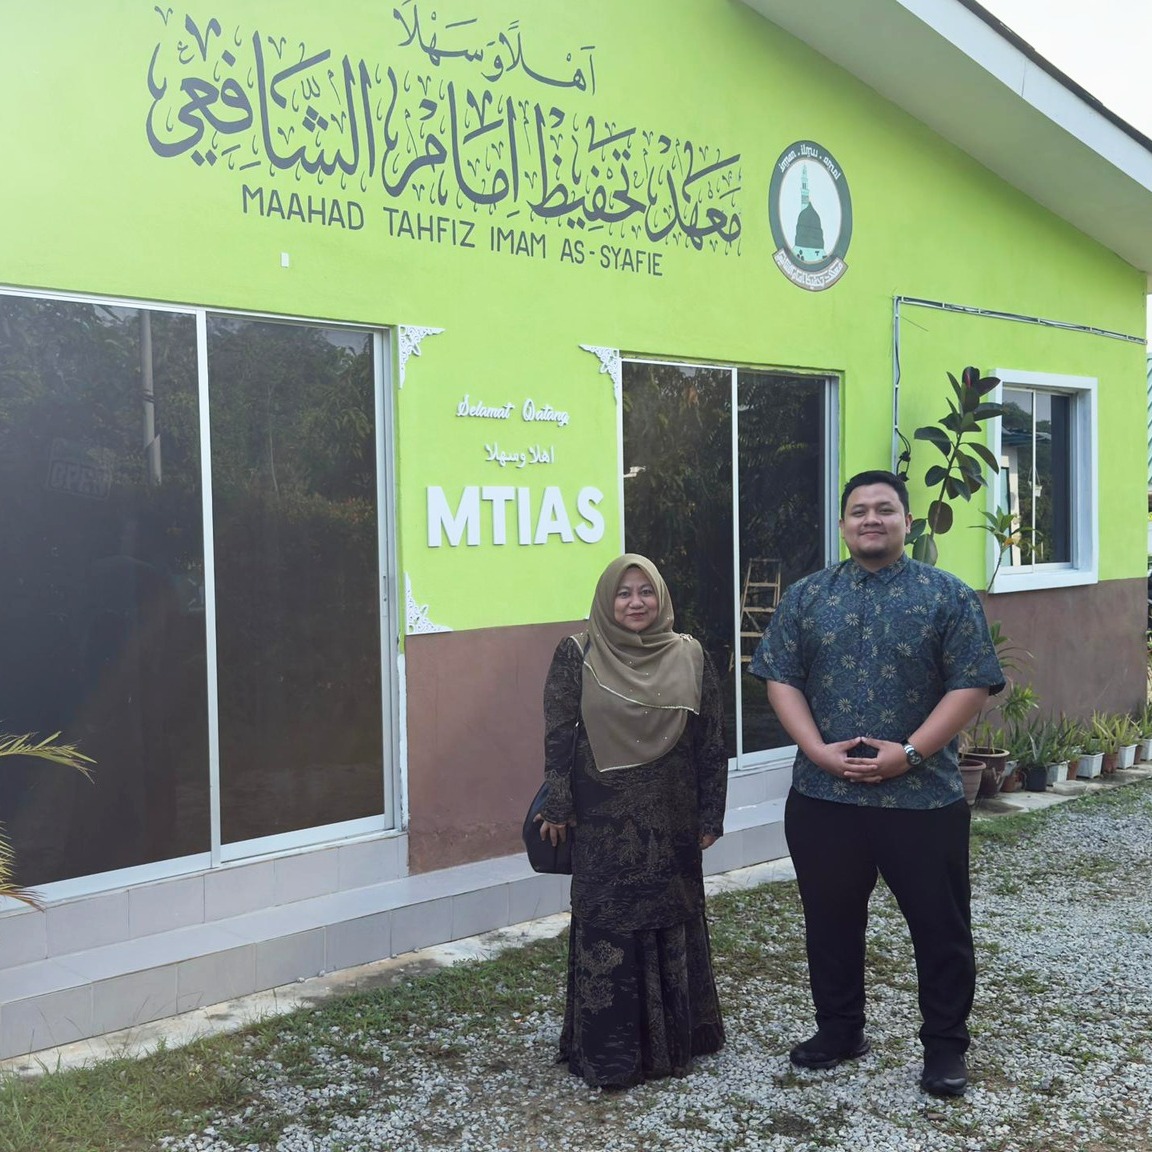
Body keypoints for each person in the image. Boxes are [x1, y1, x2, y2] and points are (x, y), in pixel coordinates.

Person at [749, 470, 1003, 1098]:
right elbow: (781, 677)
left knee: (940, 927)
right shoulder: (807, 597)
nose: (871, 519)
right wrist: (816, 751)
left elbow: (970, 684)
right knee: (829, 922)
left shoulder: (946, 596)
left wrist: (910, 753)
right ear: (842, 525)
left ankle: (945, 1047)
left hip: (922, 798)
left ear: (907, 523)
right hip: (824, 798)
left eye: (884, 509)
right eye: (859, 510)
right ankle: (840, 1030)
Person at [537, 553, 728, 1088]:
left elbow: (712, 741)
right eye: (624, 593)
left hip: (671, 819)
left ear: (661, 598)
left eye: (646, 592)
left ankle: (677, 1042)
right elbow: (558, 736)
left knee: (672, 915)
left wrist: (711, 813)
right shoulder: (577, 653)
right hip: (603, 823)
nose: (636, 602)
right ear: (607, 600)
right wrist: (558, 804)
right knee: (608, 922)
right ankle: (611, 1055)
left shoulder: (690, 655)